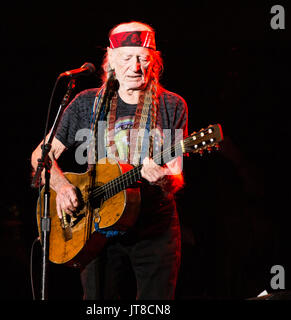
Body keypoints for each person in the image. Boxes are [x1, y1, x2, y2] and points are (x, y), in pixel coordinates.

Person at [31, 21, 188, 300]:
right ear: (110, 61)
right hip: (97, 227)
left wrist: (163, 179)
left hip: (154, 228)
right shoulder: (85, 102)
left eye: (143, 58)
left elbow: (175, 176)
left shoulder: (171, 104)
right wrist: (62, 186)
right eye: (127, 58)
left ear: (154, 62)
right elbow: (40, 156)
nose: (135, 67)